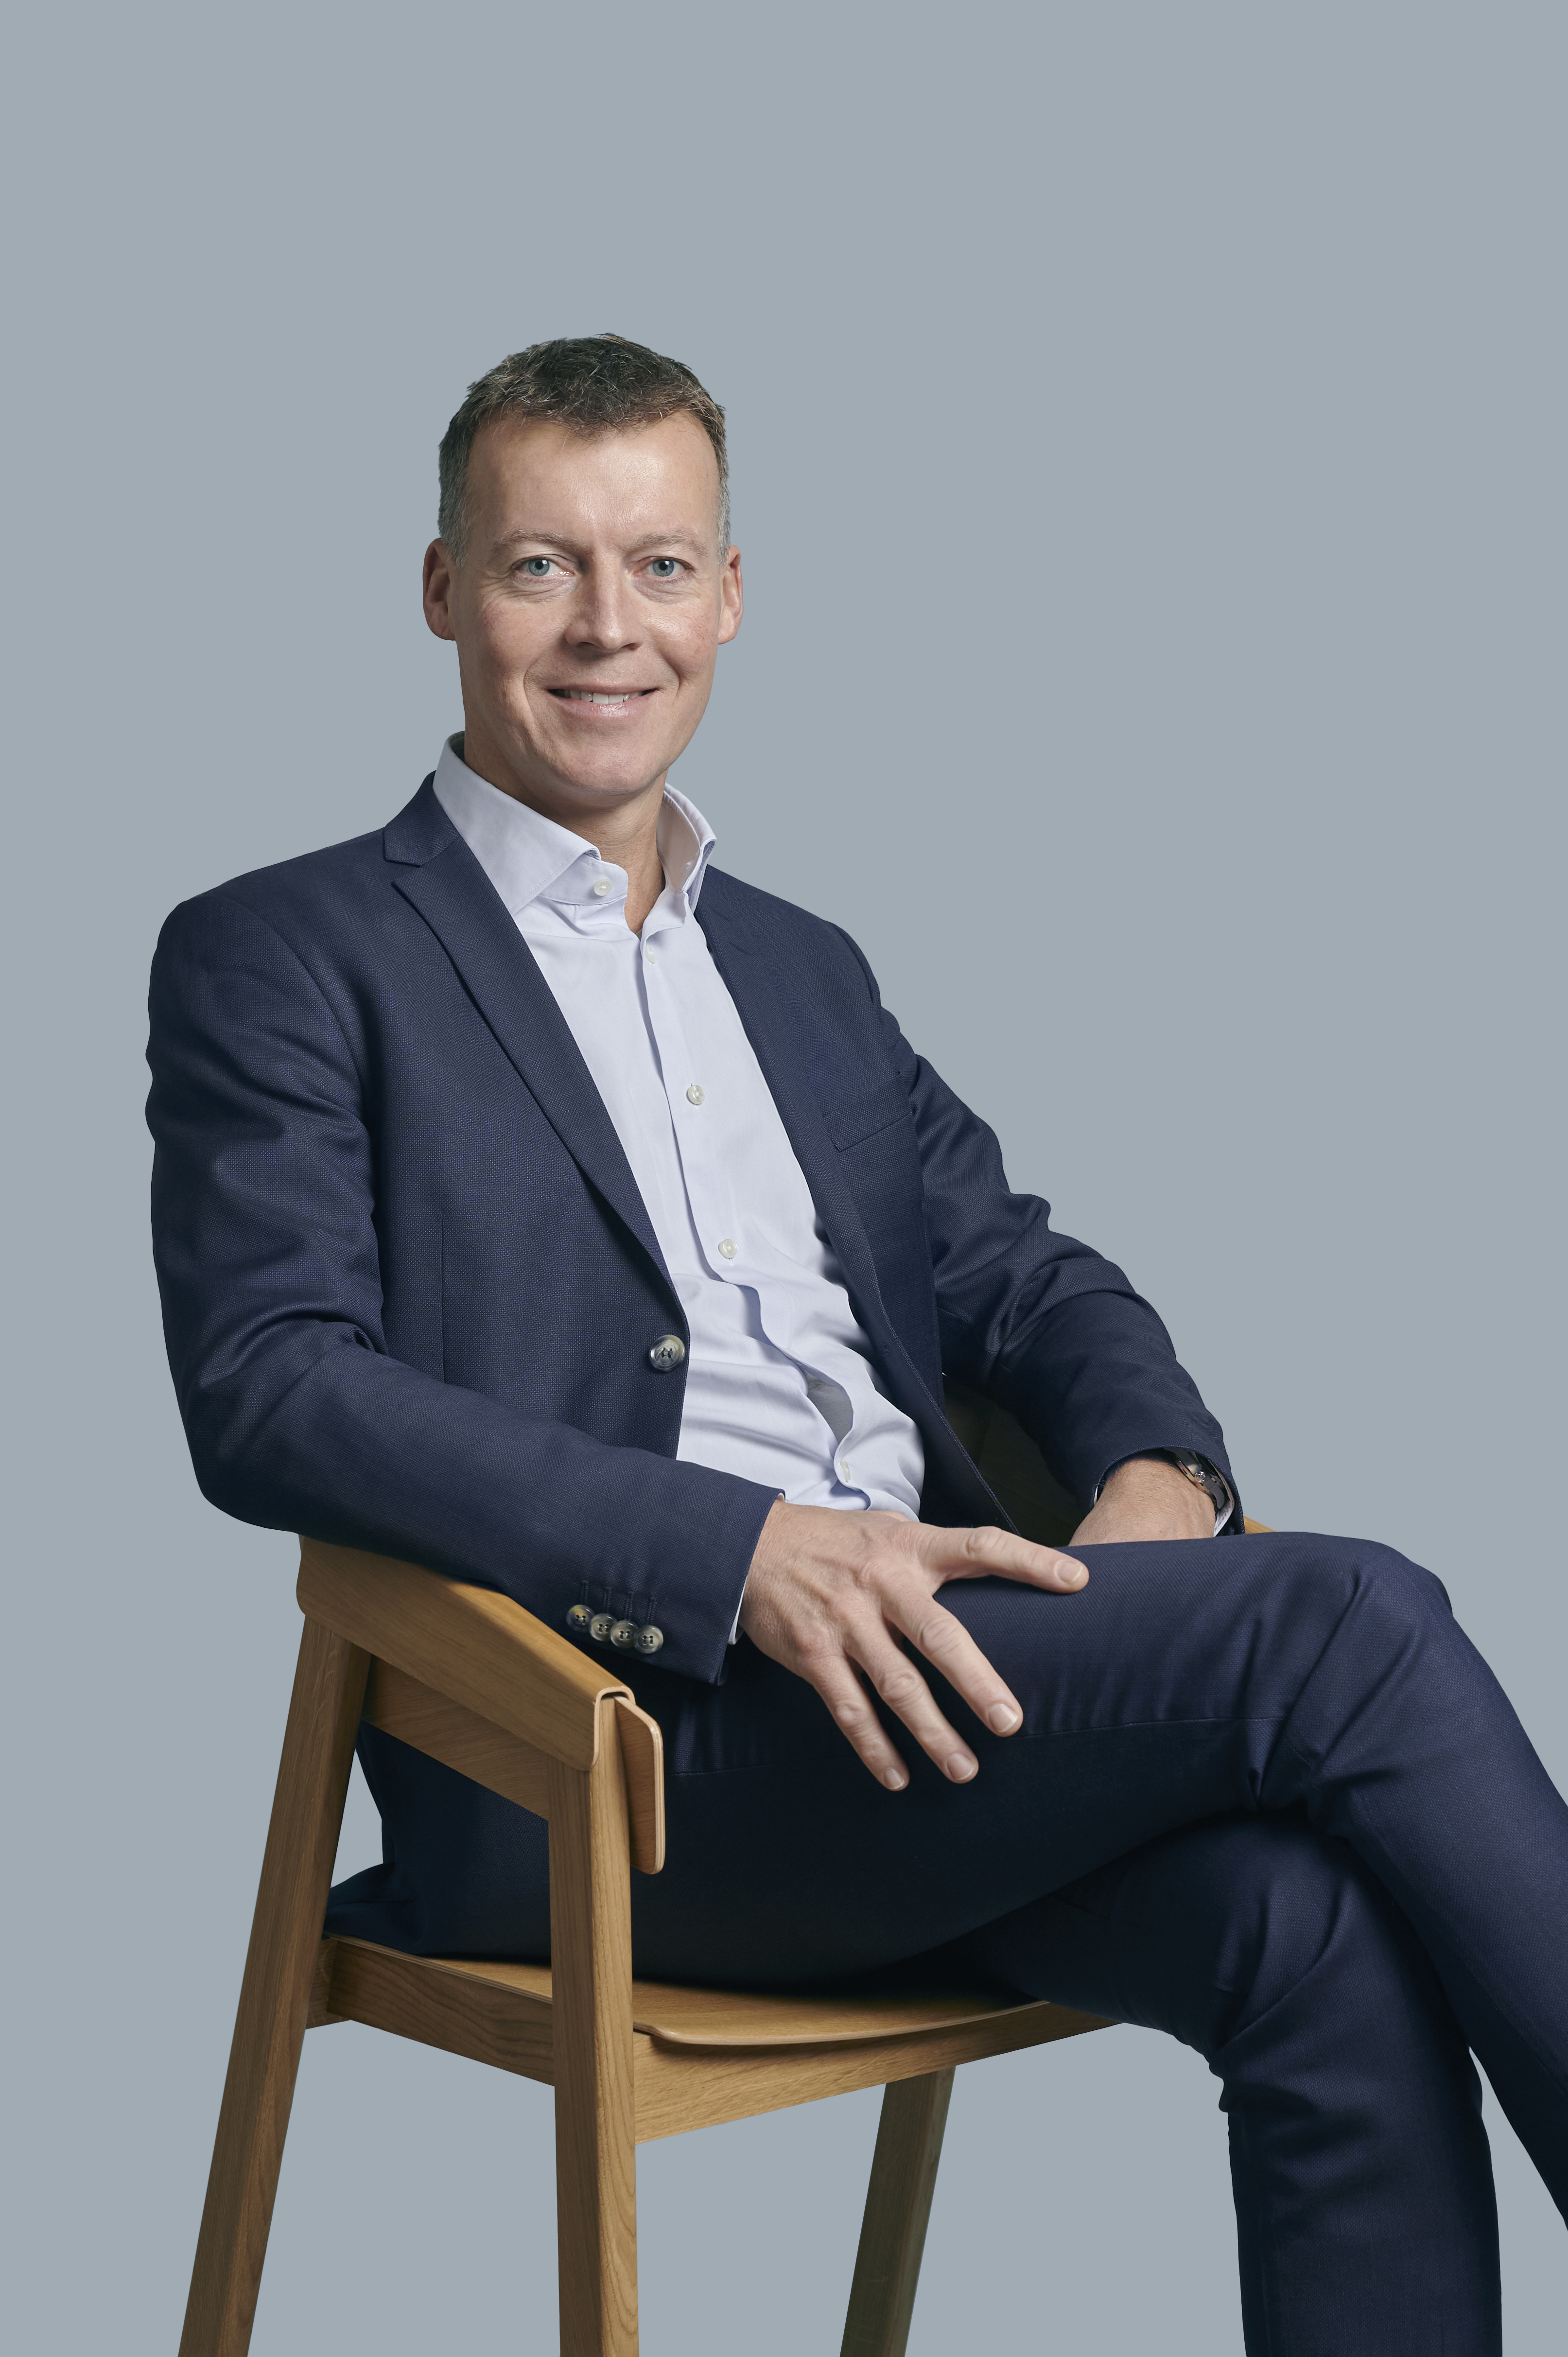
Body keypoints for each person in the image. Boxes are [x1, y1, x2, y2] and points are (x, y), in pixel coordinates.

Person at [147, 333, 1566, 2355]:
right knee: (1352, 1624)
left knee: (1310, 1927)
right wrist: (738, 1553)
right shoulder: (287, 953)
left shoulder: (799, 969)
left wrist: (1162, 1475)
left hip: (940, 1702)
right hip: (608, 1749)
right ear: (446, 589)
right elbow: (274, 1387)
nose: (609, 626)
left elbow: (1022, 1278)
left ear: (729, 595)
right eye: (543, 566)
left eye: (660, 565)